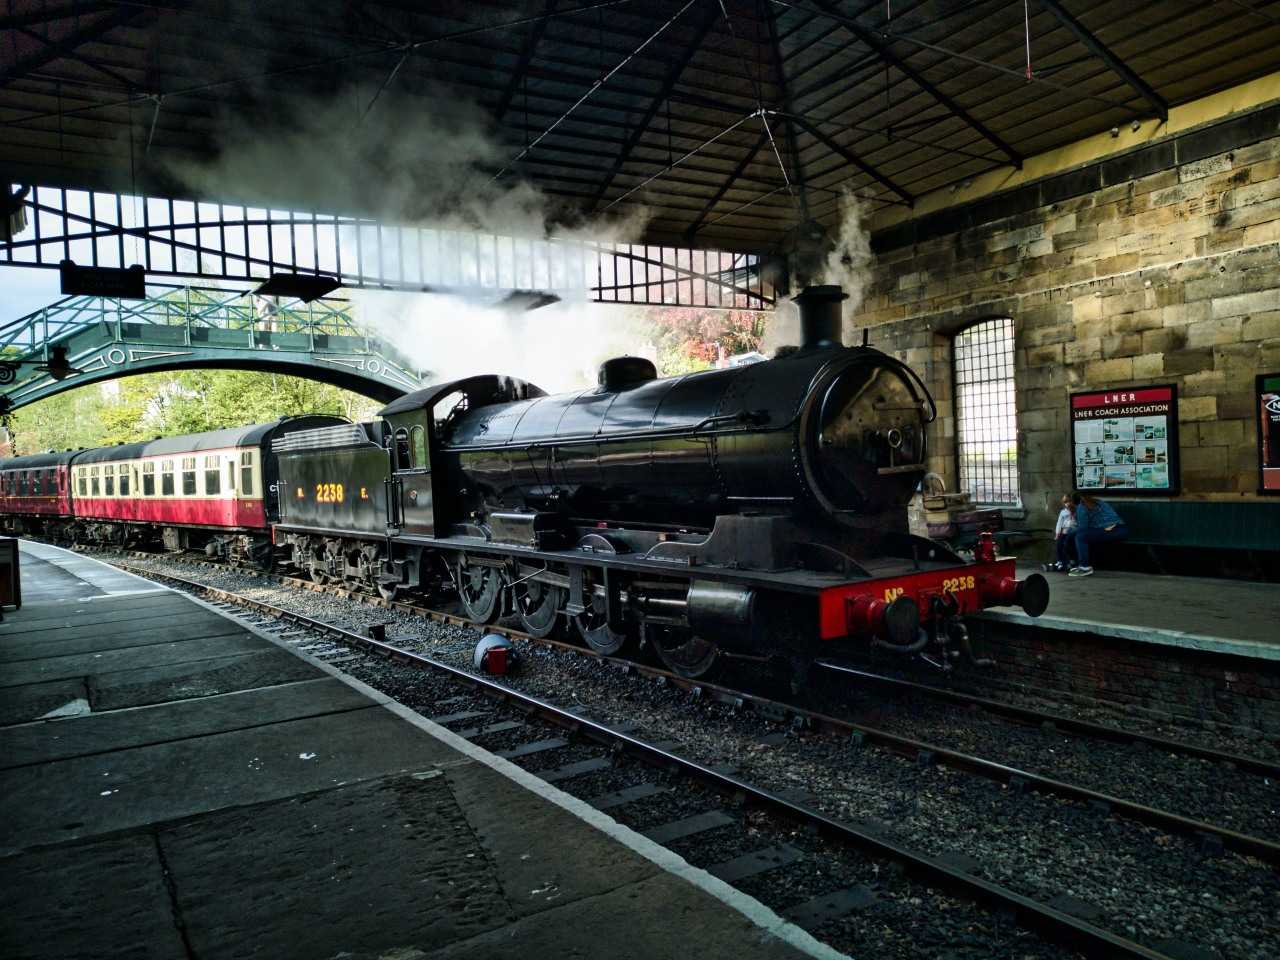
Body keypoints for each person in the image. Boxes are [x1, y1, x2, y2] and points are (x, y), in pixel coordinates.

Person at [1070, 491, 1127, 577]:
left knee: (1080, 537)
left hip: (1111, 531)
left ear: (1074, 502)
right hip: (1121, 529)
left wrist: (1071, 528)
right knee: (1078, 535)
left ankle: (1084, 567)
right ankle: (1079, 564)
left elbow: (1083, 528)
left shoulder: (1082, 507)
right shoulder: (1098, 502)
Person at [1044, 494, 1077, 572]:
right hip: (1064, 532)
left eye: (1069, 501)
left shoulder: (1076, 511)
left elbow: (1077, 522)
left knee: (1069, 546)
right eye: (1065, 502)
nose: (1067, 504)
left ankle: (1071, 561)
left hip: (1072, 532)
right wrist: (1057, 533)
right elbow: (1059, 523)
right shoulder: (1063, 512)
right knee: (1059, 544)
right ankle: (1060, 561)